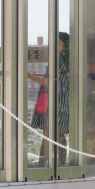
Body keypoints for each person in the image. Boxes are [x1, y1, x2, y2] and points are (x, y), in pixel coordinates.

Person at [28, 32, 70, 167]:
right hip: (60, 99)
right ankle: (52, 163)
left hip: (56, 99)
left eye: (57, 43)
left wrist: (31, 77)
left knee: (51, 133)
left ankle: (45, 164)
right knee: (54, 132)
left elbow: (48, 82)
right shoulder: (66, 60)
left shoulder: (59, 61)